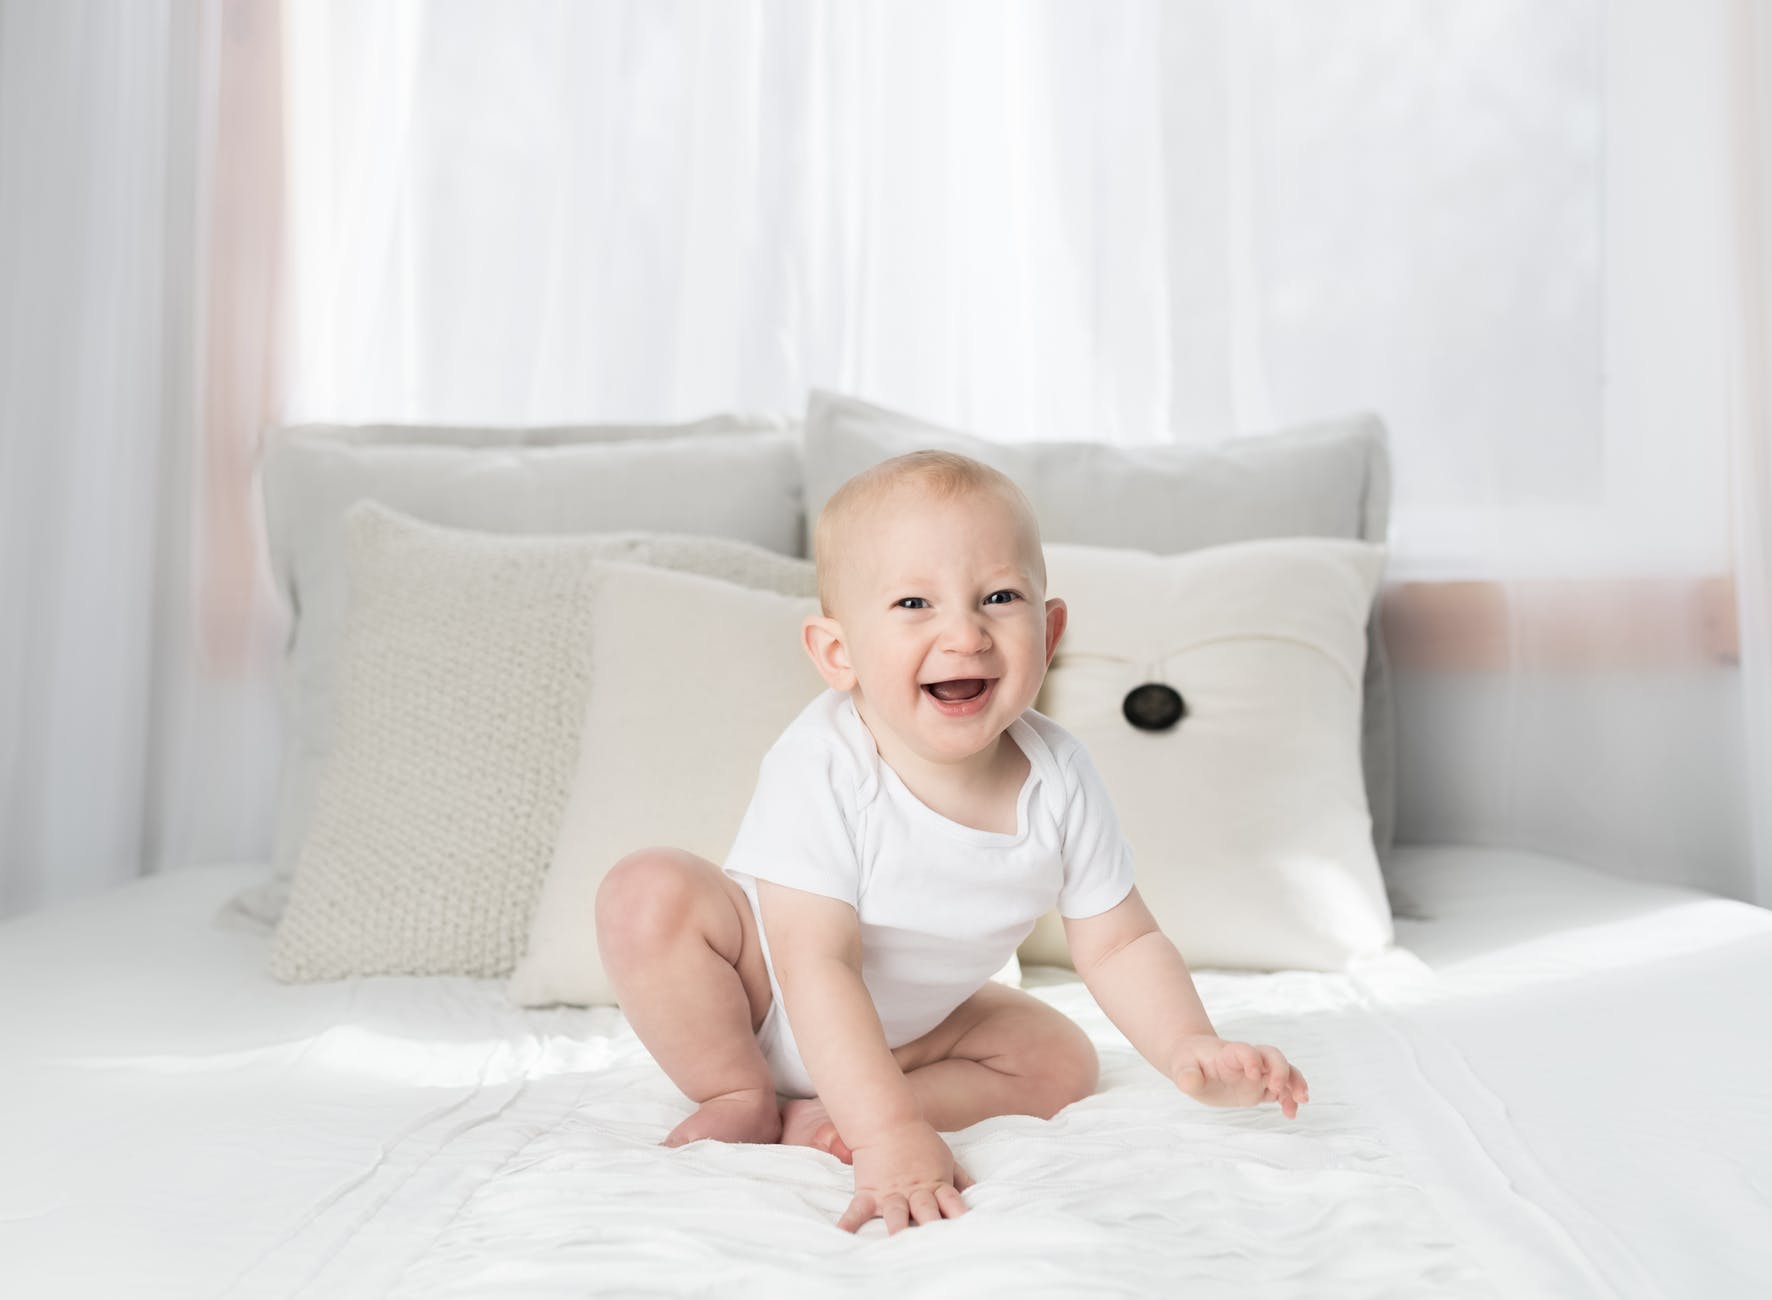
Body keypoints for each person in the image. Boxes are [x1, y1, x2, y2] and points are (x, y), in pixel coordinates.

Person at [595, 449, 1310, 1237]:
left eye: (999, 597)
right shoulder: (824, 761)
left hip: (910, 1032)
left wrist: (1190, 1046)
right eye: (914, 603)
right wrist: (890, 1138)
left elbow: (1120, 943)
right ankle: (739, 1092)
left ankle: (830, 1114)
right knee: (647, 891)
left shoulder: (1060, 776)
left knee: (1061, 1061)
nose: (965, 634)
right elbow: (815, 964)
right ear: (838, 653)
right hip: (762, 992)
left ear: (1051, 631)